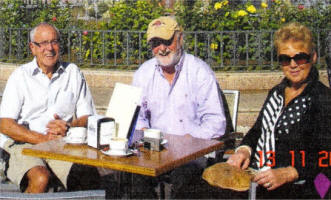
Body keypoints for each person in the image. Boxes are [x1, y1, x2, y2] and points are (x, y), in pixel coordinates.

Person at [226, 22, 331, 199]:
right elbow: (257, 131)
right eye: (285, 59)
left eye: (300, 57)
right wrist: (244, 150)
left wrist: (290, 172)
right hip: (258, 180)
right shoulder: (276, 93)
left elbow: (326, 157)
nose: (293, 65)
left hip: (301, 188)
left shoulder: (322, 98)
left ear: (313, 57)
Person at [132, 16, 227, 198]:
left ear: (180, 38)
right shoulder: (143, 73)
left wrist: (188, 140)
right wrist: (144, 131)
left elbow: (216, 123)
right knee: (130, 177)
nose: (161, 48)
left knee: (184, 176)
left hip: (192, 153)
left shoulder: (199, 72)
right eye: (155, 43)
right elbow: (136, 115)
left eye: (167, 41)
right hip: (154, 152)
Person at [0, 22, 100, 193]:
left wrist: (69, 126)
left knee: (87, 175)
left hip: (61, 145)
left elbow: (88, 116)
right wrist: (42, 139)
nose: (50, 48)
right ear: (33, 48)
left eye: (54, 42)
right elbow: (5, 123)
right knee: (41, 178)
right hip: (23, 144)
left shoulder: (73, 73)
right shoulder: (20, 76)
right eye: (43, 43)